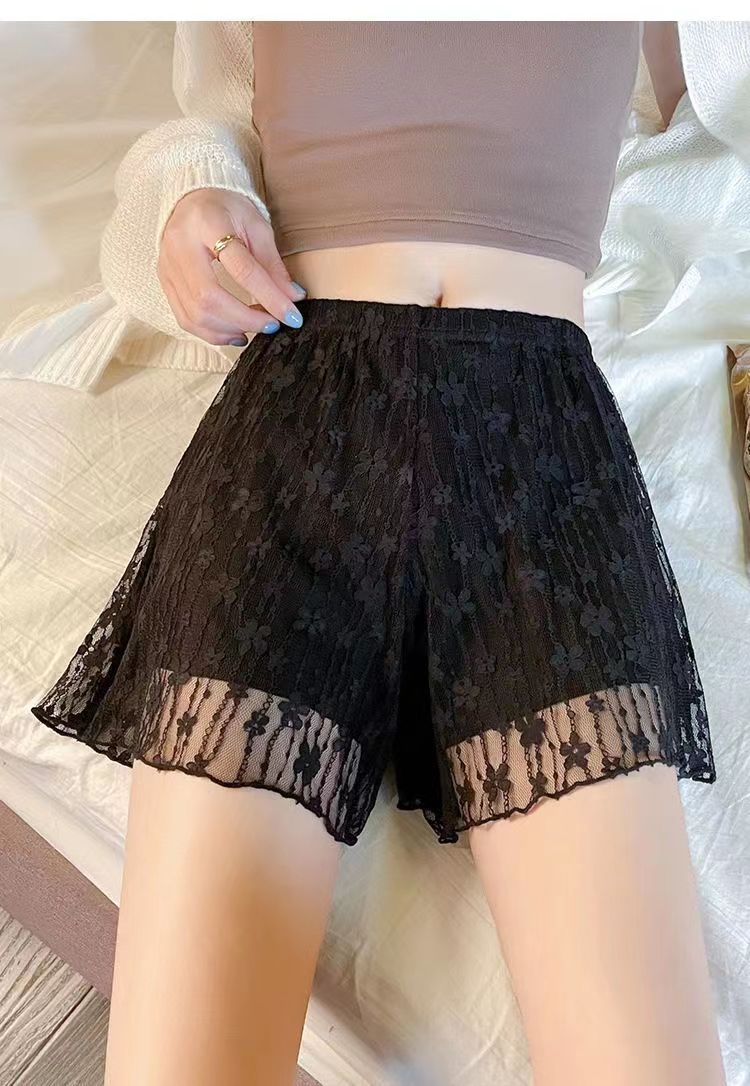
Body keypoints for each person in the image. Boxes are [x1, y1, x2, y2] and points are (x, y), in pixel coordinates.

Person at [29, 21, 724, 1086]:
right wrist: (187, 201)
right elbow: (209, 124)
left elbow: (706, 118)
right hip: (302, 431)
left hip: (539, 457)